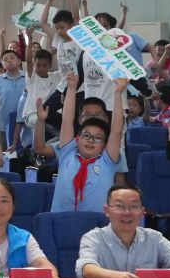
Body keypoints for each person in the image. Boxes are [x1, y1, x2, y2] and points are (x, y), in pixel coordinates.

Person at [44, 68, 126, 214]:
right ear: (78, 138)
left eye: (98, 138)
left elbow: (116, 131)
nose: (91, 141)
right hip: (61, 220)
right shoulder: (67, 153)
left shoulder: (107, 161)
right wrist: (71, 88)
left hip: (96, 224)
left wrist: (118, 93)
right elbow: (67, 120)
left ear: (105, 143)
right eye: (86, 135)